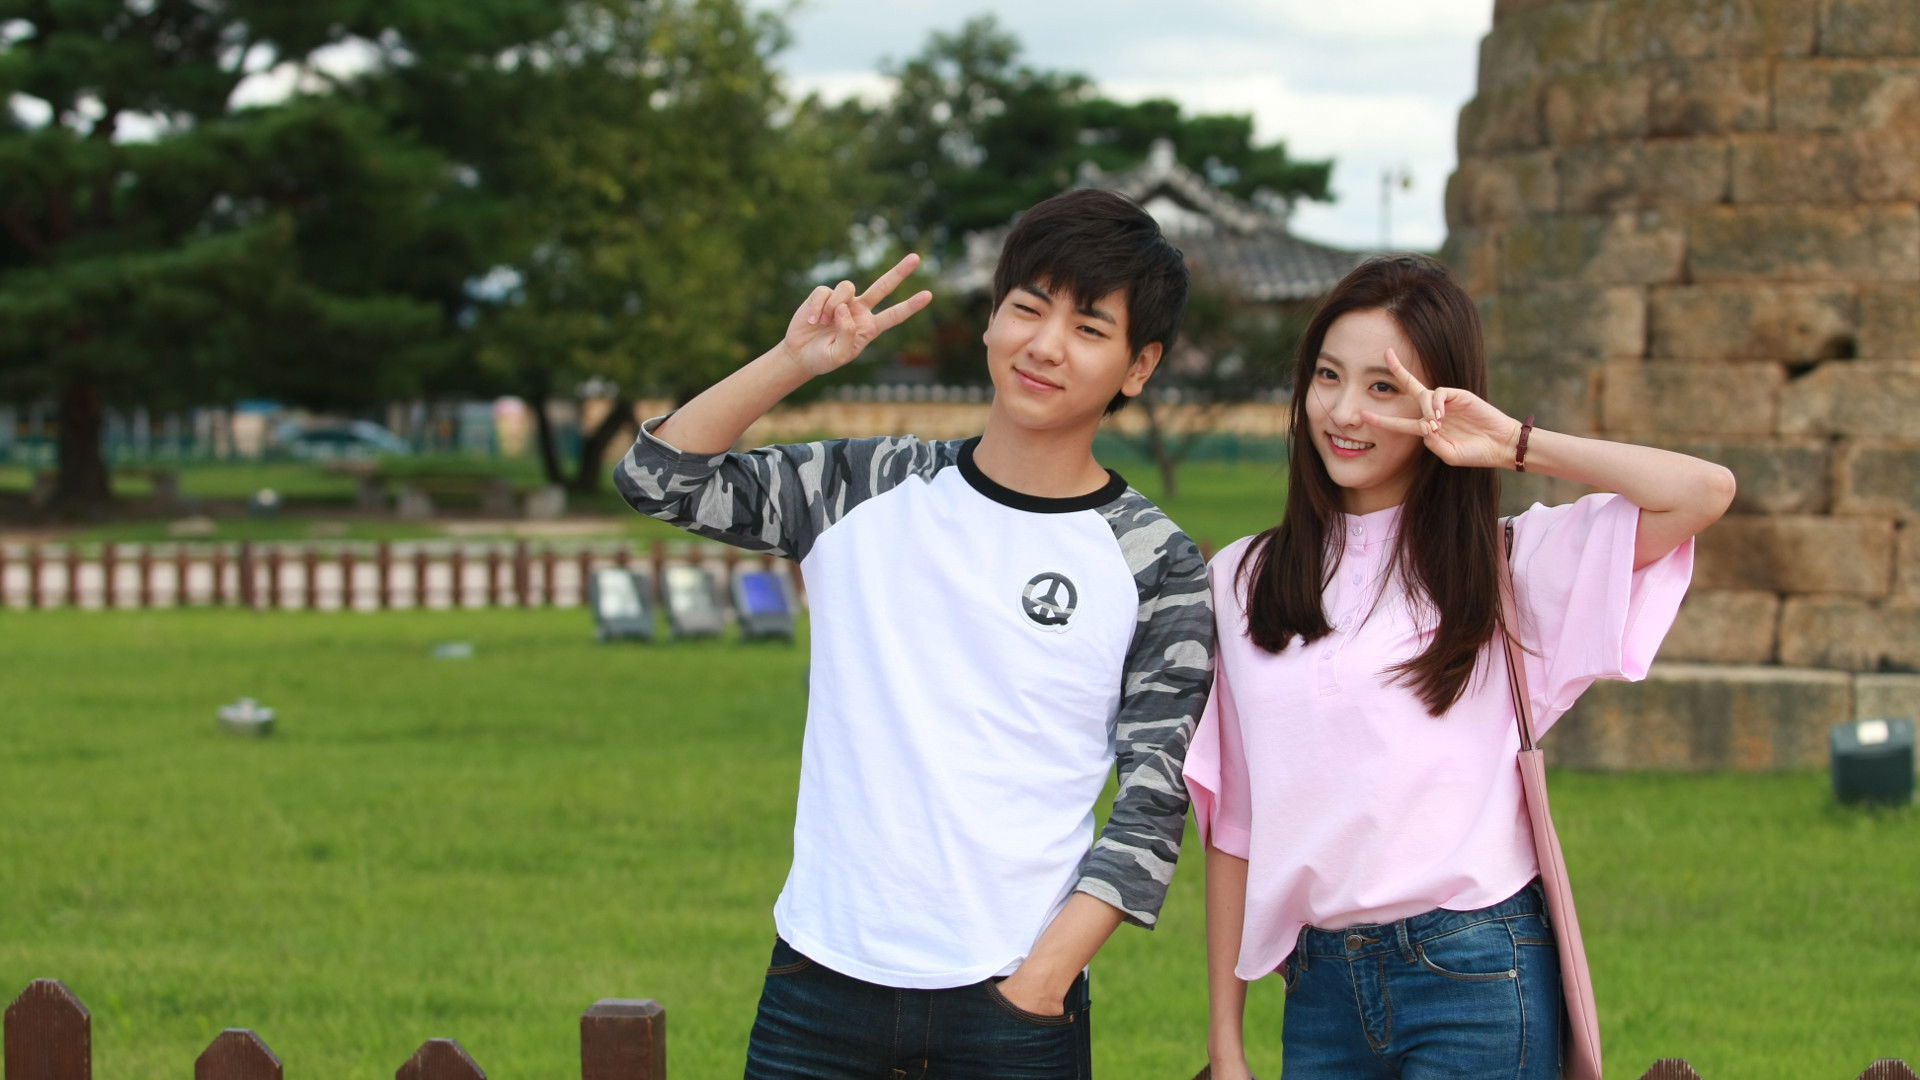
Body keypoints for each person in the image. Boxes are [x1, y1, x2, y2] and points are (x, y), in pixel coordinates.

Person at [613, 188, 1214, 1079]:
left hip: (1015, 1001)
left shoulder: (1155, 560)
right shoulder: (866, 486)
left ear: (1139, 365)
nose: (1045, 345)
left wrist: (1041, 983)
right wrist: (791, 362)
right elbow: (658, 479)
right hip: (820, 980)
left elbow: (1154, 801)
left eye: (1090, 328)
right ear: (992, 320)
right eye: (1028, 308)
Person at [1187, 253, 1735, 1080]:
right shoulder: (1241, 579)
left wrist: (1512, 443)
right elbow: (1235, 821)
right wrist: (1224, 1041)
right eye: (1328, 376)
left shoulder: (1508, 566)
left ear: (1436, 398)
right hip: (1321, 992)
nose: (1344, 411)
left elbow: (1701, 491)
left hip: (1475, 970)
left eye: (1384, 386)